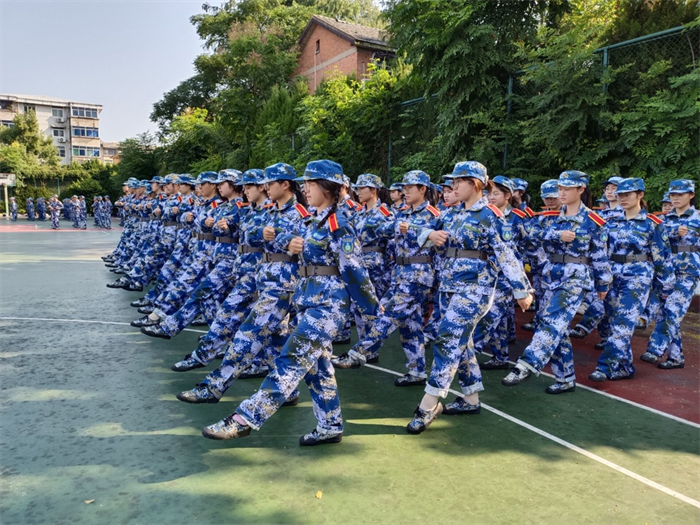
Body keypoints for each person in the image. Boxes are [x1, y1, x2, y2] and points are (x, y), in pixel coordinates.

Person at [199, 159, 380, 445]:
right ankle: (330, 425)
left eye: (311, 183)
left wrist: (373, 313)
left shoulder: (339, 225)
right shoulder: (312, 221)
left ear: (328, 187)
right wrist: (290, 243)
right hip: (307, 301)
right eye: (304, 183)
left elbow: (355, 271)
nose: (305, 188)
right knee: (317, 369)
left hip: (328, 306)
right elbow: (284, 240)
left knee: (291, 360)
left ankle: (245, 417)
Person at [403, 162, 532, 433]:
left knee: (448, 339)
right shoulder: (451, 213)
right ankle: (471, 399)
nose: (453, 187)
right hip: (449, 288)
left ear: (475, 184)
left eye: (458, 182)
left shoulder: (490, 215)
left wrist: (522, 290)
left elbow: (506, 253)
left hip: (475, 289)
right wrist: (430, 234)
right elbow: (415, 227)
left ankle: (429, 404)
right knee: (463, 343)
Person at [502, 170, 611, 394]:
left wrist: (603, 284)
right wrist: (556, 235)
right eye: (560, 188)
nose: (561, 193)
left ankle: (526, 364)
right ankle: (565, 378)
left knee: (552, 320)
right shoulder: (548, 217)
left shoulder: (593, 221)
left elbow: (600, 256)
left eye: (567, 189)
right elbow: (529, 237)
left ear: (580, 189)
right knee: (554, 325)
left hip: (575, 277)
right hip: (550, 275)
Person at [333, 170, 441, 386]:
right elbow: (385, 230)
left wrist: (411, 229)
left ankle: (358, 353)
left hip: (418, 275)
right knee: (410, 325)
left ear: (423, 189)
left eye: (410, 188)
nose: (405, 191)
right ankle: (417, 370)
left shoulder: (434, 215)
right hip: (400, 274)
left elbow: (440, 243)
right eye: (404, 188)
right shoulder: (402, 213)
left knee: (388, 314)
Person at [588, 178, 674, 382]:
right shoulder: (611, 222)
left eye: (628, 194)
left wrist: (666, 286)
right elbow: (600, 250)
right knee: (614, 322)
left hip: (637, 277)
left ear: (640, 195)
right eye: (620, 195)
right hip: (613, 275)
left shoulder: (652, 224)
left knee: (623, 323)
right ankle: (624, 367)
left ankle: (605, 367)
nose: (623, 198)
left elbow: (662, 257)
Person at [640, 179, 699, 370]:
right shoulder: (663, 220)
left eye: (680, 194)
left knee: (673, 310)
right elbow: (653, 239)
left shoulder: (698, 219)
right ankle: (675, 357)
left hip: (687, 272)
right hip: (665, 272)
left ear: (691, 195)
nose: (676, 198)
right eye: (673, 194)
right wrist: (673, 231)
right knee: (665, 314)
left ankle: (654, 349)